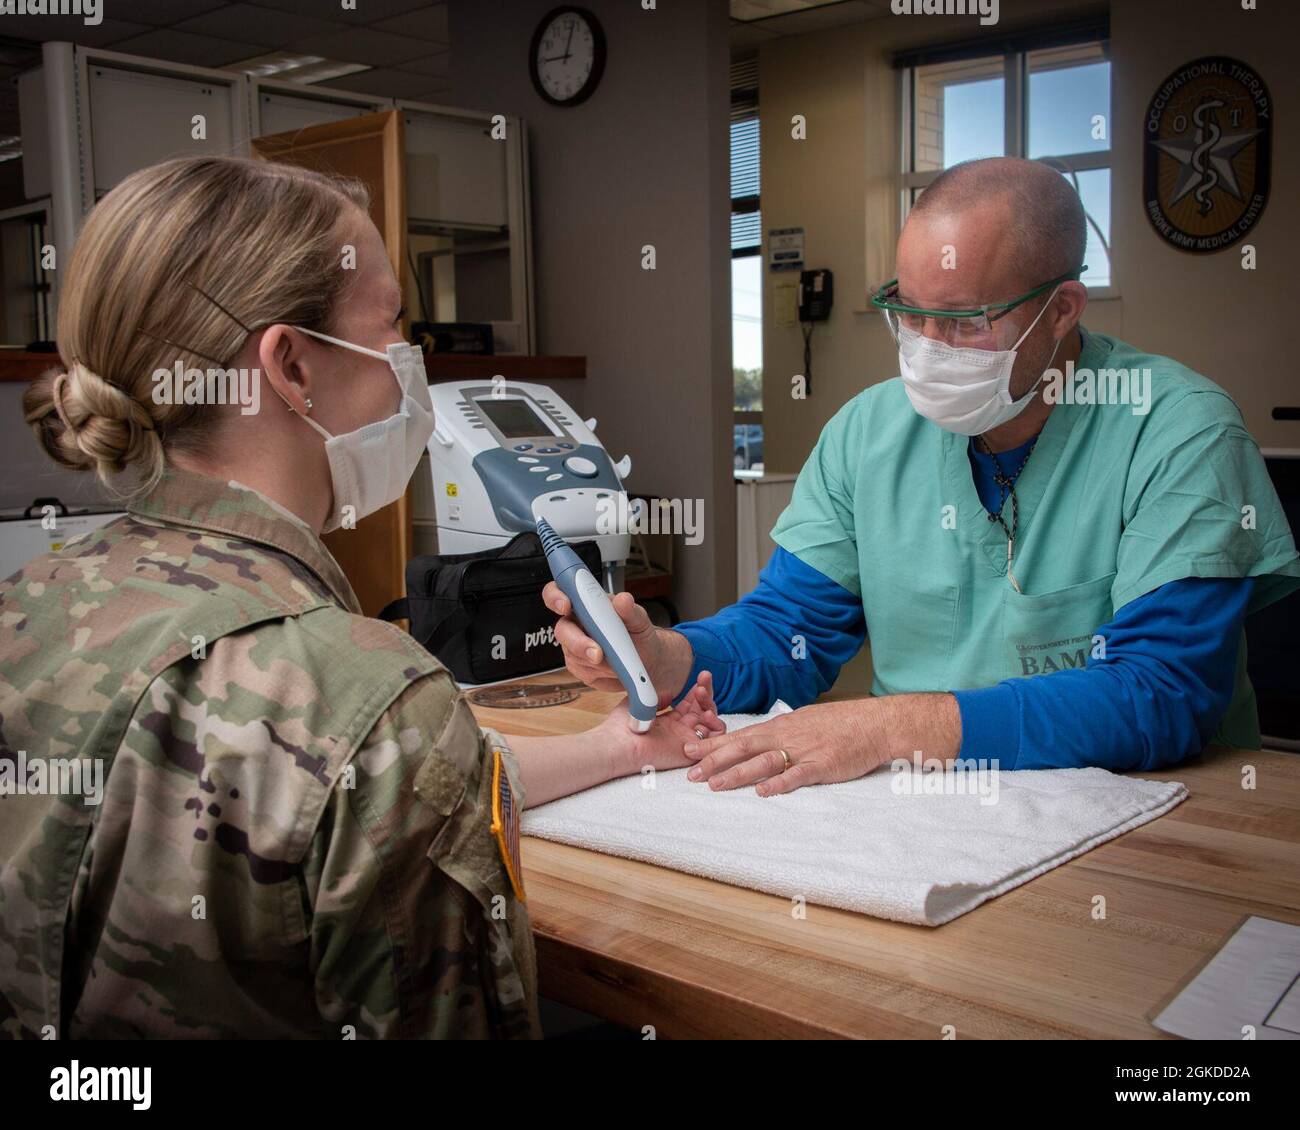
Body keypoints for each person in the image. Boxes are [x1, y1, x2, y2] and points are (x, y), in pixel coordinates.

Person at [0, 155, 722, 1040]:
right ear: (293, 367)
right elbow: (369, 768)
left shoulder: (27, 605)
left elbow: (361, 782)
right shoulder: (369, 698)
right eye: (393, 326)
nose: (409, 367)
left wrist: (617, 748)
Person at [547, 156, 1300, 794]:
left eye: (968, 320)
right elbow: (789, 633)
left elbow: (1162, 693)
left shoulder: (1177, 430)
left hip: (1149, 821)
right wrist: (667, 657)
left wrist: (900, 725)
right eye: (908, 313)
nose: (930, 348)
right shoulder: (868, 435)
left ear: (1064, 308)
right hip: (920, 816)